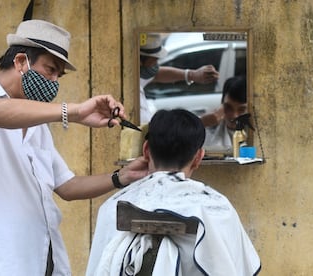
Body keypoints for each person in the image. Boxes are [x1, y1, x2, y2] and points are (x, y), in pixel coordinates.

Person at [0, 19, 148, 276]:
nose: (53, 81)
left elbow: (67, 186)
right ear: (20, 62)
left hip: (46, 263)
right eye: (50, 69)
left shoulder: (37, 125)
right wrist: (71, 112)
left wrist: (122, 177)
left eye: (58, 75)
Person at [86, 109, 261, 275]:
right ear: (198, 157)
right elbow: (237, 268)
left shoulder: (113, 207)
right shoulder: (217, 208)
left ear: (146, 151)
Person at [139, 33, 219, 124]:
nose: (157, 62)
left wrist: (192, 75)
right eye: (154, 59)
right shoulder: (134, 100)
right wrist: (201, 122)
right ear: (140, 61)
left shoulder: (140, 74)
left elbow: (157, 74)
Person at [201, 75, 248, 154]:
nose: (234, 116)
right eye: (229, 108)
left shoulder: (259, 136)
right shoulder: (208, 131)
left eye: (241, 110)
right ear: (222, 104)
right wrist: (201, 123)